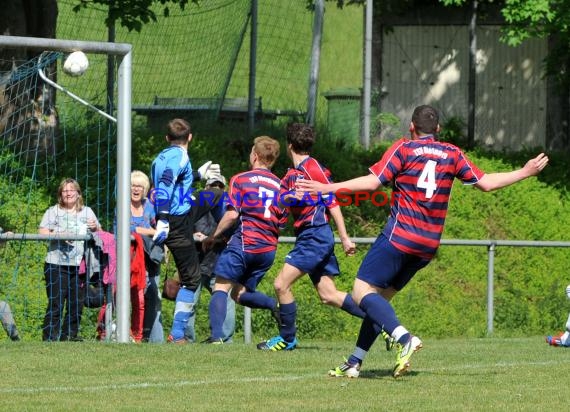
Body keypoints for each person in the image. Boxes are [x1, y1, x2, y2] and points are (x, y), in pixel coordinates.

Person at [297, 105, 549, 378]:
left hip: (399, 237)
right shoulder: (452, 153)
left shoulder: (404, 149)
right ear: (438, 130)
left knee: (361, 292)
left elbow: (373, 183)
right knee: (378, 303)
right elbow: (486, 182)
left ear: (411, 127)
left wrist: (326, 188)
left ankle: (404, 338)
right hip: (427, 246)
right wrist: (524, 172)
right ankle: (355, 361)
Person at [256, 123, 366, 352]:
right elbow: (281, 201)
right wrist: (288, 197)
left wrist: (344, 237)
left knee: (280, 284)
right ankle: (380, 322)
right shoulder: (292, 174)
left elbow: (332, 201)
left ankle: (287, 339)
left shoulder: (312, 167)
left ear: (289, 146)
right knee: (328, 294)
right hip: (311, 235)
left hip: (315, 235)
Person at [203, 136, 284, 344]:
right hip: (267, 250)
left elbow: (231, 215)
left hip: (245, 243)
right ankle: (273, 305)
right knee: (239, 294)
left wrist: (214, 236)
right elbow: (281, 223)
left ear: (255, 155)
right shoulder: (281, 185)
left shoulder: (241, 179)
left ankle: (216, 338)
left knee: (220, 287)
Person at [150, 118, 222, 343]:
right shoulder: (179, 156)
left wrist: (197, 175)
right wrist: (162, 219)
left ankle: (224, 228)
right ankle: (178, 333)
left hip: (183, 211)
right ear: (190, 137)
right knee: (192, 279)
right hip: (177, 221)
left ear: (167, 138)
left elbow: (177, 179)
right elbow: (165, 184)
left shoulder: (161, 156)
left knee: (217, 195)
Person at [39, 178, 101, 341]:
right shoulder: (53, 211)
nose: (68, 193)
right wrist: (59, 236)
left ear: (78, 193)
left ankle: (69, 336)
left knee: (76, 303)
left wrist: (95, 227)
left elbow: (100, 233)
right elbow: (42, 232)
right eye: (65, 190)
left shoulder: (87, 212)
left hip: (80, 265)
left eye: (71, 190)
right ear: (60, 194)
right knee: (56, 303)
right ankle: (50, 338)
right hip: (55, 264)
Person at [185, 175, 236, 343]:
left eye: (219, 186)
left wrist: (214, 239)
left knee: (226, 303)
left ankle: (223, 339)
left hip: (219, 261)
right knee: (189, 302)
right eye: (212, 186)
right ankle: (187, 339)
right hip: (196, 261)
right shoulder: (194, 205)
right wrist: (194, 236)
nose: (215, 190)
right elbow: (182, 229)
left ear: (223, 188)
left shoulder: (229, 209)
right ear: (205, 188)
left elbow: (233, 234)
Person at [128, 170, 164, 343]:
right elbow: (123, 228)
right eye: (133, 185)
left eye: (140, 186)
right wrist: (145, 231)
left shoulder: (149, 206)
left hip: (149, 259)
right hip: (127, 259)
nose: (136, 189)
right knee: (123, 296)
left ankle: (145, 336)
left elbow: (158, 230)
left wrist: (138, 231)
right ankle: (110, 332)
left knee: (149, 297)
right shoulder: (122, 205)